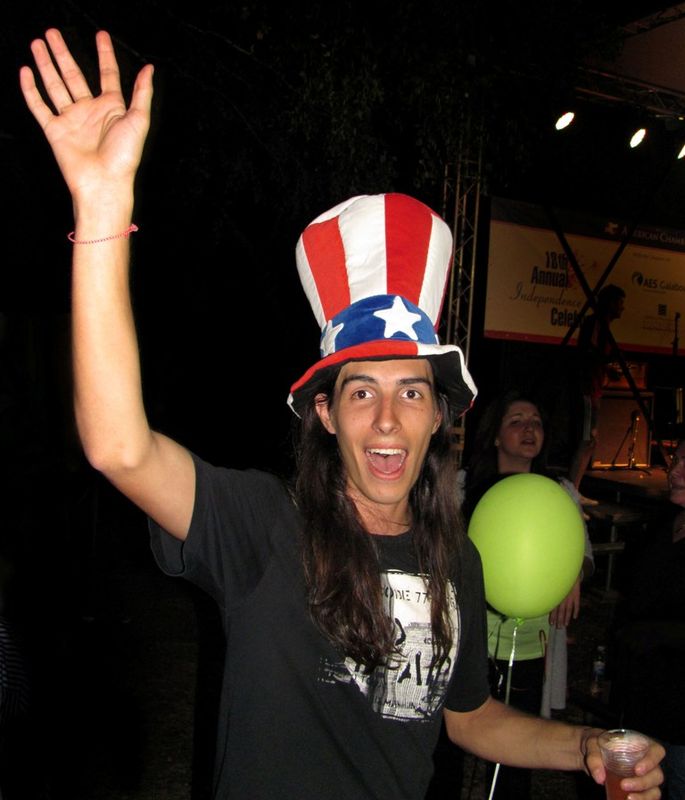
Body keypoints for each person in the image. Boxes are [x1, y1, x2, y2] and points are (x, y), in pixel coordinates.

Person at [19, 28, 665, 800]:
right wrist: (101, 207)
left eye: (411, 392)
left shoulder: (456, 562)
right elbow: (117, 447)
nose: (387, 418)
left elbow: (470, 717)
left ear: (438, 417)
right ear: (324, 413)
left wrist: (583, 744)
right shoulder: (262, 527)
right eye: (362, 392)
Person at [456, 390, 595, 798]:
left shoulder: (560, 492)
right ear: (496, 435)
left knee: (516, 754)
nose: (529, 429)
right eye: (516, 420)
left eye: (535, 421)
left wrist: (573, 574)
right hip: (470, 638)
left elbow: (583, 555)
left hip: (531, 642)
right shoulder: (465, 486)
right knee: (454, 741)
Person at [610, 438, 685, 800]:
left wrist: (655, 632)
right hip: (645, 700)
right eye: (676, 459)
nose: (675, 471)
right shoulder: (664, 523)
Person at [568, 284, 626, 497]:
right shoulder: (595, 324)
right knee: (586, 440)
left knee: (590, 441)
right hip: (587, 389)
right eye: (619, 303)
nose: (622, 308)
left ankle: (576, 487)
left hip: (595, 390)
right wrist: (607, 366)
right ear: (610, 303)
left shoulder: (603, 327)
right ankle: (572, 489)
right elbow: (589, 352)